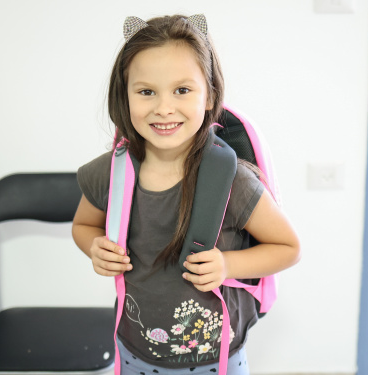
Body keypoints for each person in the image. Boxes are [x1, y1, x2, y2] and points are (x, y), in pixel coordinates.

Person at [72, 14, 301, 375]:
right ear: (125, 95)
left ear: (209, 94)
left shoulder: (234, 181)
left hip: (217, 359)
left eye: (182, 90)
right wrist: (93, 247)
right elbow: (84, 224)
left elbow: (289, 248)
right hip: (133, 351)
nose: (164, 108)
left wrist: (228, 265)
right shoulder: (111, 171)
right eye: (146, 91)